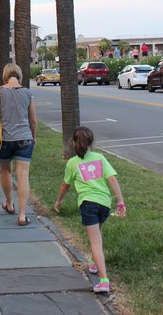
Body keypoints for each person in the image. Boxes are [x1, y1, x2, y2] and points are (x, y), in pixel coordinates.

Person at [54, 126, 126, 294]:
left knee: (95, 243)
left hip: (88, 204)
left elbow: (65, 185)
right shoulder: (100, 158)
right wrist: (121, 201)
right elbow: (112, 179)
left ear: (74, 143)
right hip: (104, 203)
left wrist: (58, 201)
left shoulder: (72, 163)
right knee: (98, 234)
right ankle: (94, 264)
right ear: (91, 143)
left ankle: (104, 281)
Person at [0, 63, 36, 226]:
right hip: (24, 138)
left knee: (5, 171)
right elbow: (33, 120)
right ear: (19, 75)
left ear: (5, 75)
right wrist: (33, 137)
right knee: (23, 176)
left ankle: (9, 203)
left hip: (4, 140)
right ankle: (22, 215)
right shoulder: (28, 93)